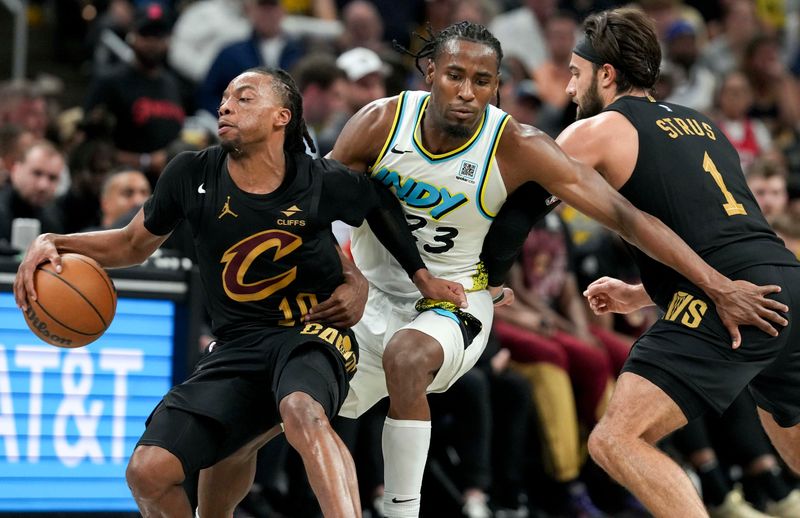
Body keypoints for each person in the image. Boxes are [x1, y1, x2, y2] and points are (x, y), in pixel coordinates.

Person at [201, 21, 786, 518]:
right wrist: (337, 280)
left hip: (454, 303)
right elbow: (313, 210)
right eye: (455, 76)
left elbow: (626, 217)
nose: (468, 92)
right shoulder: (380, 122)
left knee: (416, 359)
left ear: (497, 85)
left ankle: (402, 509)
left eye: (483, 81)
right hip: (368, 297)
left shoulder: (524, 144)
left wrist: (715, 286)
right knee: (253, 419)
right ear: (430, 73)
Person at [13, 66, 464, 518]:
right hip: (238, 344)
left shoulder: (318, 179)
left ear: (281, 117)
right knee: (147, 471)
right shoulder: (191, 173)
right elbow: (131, 244)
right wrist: (55, 241)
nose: (226, 106)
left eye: (245, 98)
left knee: (301, 408)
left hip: (312, 332)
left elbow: (380, 204)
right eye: (225, 98)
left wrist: (416, 278)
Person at [553, 8, 799, 516]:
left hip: (735, 297)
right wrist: (641, 292)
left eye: (576, 73)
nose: (569, 89)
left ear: (606, 74)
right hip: (787, 284)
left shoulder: (598, 128)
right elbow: (723, 232)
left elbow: (518, 200)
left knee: (616, 439)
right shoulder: (705, 125)